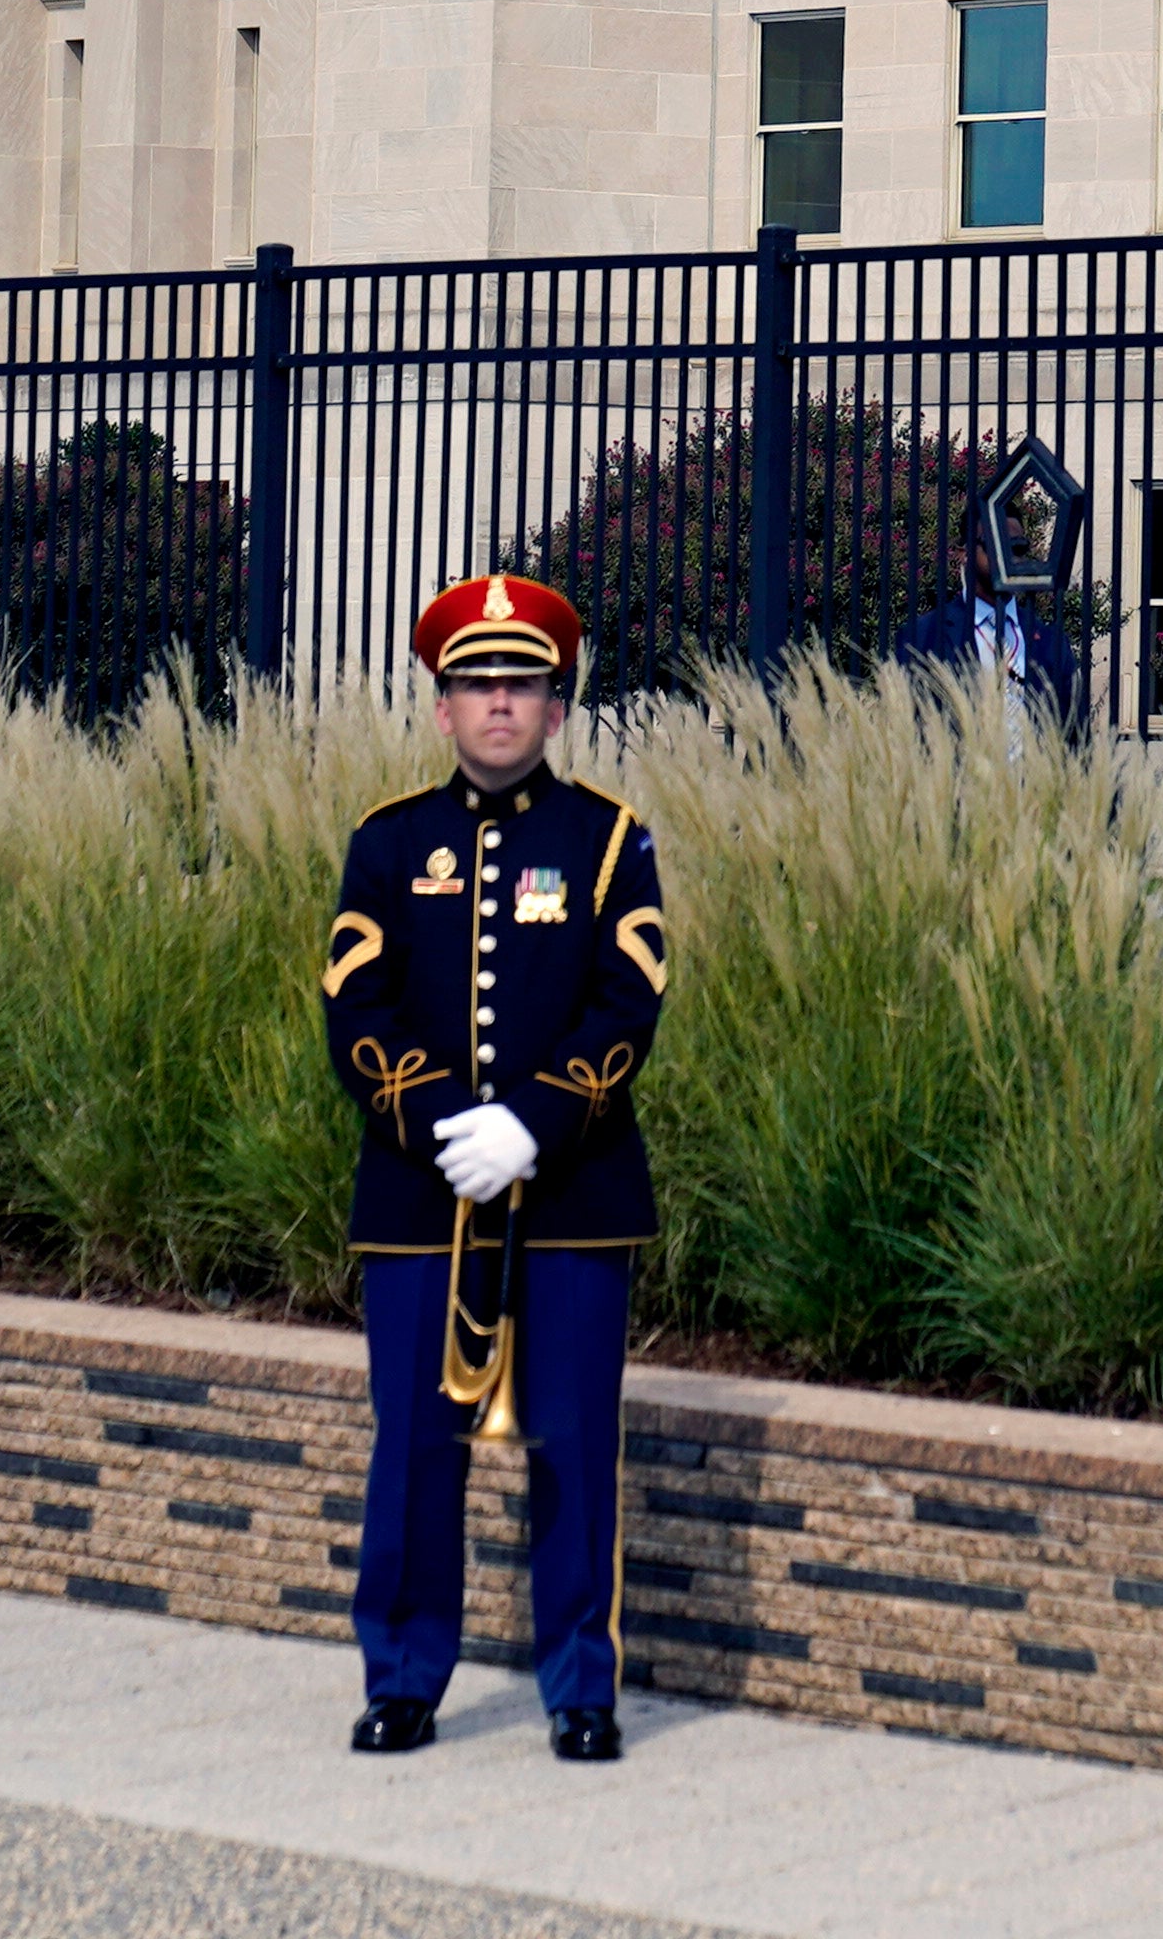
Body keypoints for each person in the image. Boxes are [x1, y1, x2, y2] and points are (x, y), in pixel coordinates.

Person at [324, 570, 663, 1760]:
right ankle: (405, 1675)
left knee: (573, 1441)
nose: (500, 705)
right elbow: (352, 1003)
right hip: (422, 1198)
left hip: (573, 1191)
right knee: (414, 1447)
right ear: (441, 708)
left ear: (558, 707)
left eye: (522, 683)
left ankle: (581, 1686)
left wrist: (531, 1119)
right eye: (476, 684)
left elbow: (629, 1000)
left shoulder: (612, 841)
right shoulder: (386, 843)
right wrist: (431, 1122)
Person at [887, 565, 1086, 729]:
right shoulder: (924, 635)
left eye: (1016, 545)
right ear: (964, 552)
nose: (1005, 552)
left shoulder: (1050, 640)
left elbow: (1073, 729)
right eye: (992, 540)